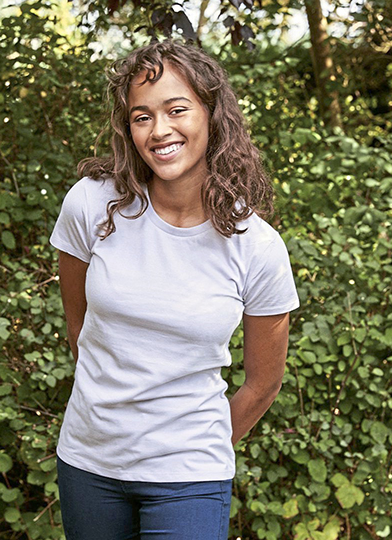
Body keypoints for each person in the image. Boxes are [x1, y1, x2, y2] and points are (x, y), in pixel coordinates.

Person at [49, 39, 300, 540]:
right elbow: (79, 330)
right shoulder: (91, 204)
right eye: (142, 117)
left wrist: (194, 449)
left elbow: (263, 383)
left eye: (177, 110)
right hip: (88, 464)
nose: (159, 130)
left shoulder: (257, 247)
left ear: (212, 114)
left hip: (189, 476)